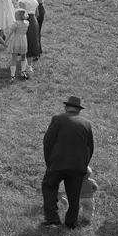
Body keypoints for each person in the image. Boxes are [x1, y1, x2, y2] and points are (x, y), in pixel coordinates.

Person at [42, 95, 95, 228]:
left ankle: (52, 219)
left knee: (49, 186)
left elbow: (48, 141)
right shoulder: (86, 124)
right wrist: (83, 164)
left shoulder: (58, 119)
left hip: (58, 162)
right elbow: (91, 147)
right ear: (78, 110)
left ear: (66, 107)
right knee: (74, 194)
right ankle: (71, 223)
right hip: (78, 165)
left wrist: (49, 161)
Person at [15, 0, 42, 64]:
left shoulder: (22, 0)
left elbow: (22, 13)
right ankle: (29, 62)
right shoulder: (34, 0)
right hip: (34, 21)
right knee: (32, 40)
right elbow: (37, 13)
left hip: (24, 20)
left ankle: (23, 60)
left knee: (23, 40)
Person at [5, 8, 30, 80]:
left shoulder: (15, 23)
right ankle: (23, 71)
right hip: (24, 41)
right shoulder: (27, 23)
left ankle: (12, 75)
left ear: (19, 16)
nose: (14, 15)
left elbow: (10, 33)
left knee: (14, 58)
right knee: (23, 56)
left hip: (16, 41)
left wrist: (5, 41)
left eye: (15, 14)